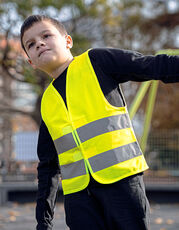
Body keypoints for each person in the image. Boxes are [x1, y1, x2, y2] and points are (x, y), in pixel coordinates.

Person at [20, 14, 179, 230]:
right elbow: (48, 167)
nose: (39, 43)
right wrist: (43, 222)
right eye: (31, 44)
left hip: (121, 184)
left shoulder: (97, 62)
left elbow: (151, 65)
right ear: (31, 62)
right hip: (78, 201)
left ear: (68, 41)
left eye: (46, 35)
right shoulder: (47, 102)